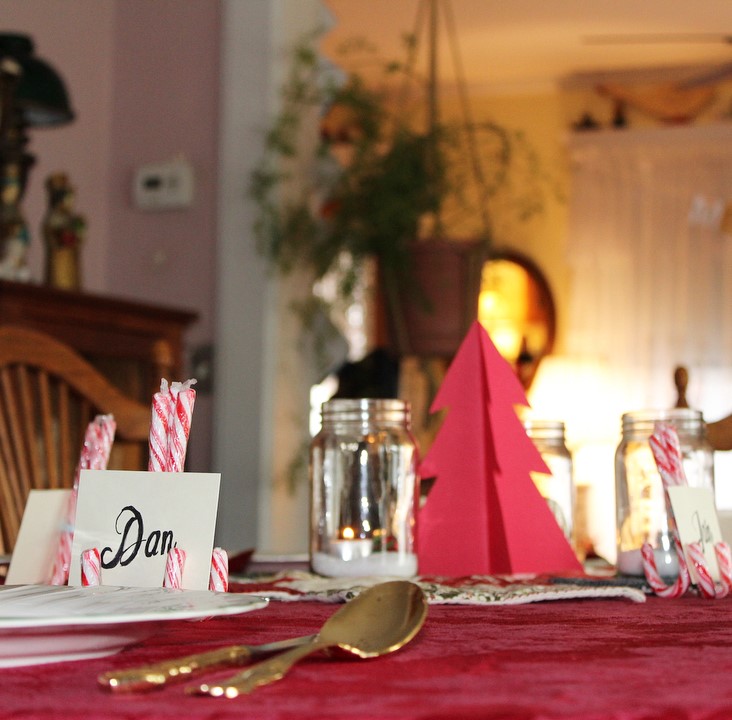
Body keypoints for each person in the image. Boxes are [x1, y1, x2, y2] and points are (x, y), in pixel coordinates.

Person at [43, 172, 86, 290]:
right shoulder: (52, 219)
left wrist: (80, 228)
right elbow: (54, 238)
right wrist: (65, 235)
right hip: (58, 261)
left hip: (71, 261)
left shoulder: (70, 219)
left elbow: (79, 239)